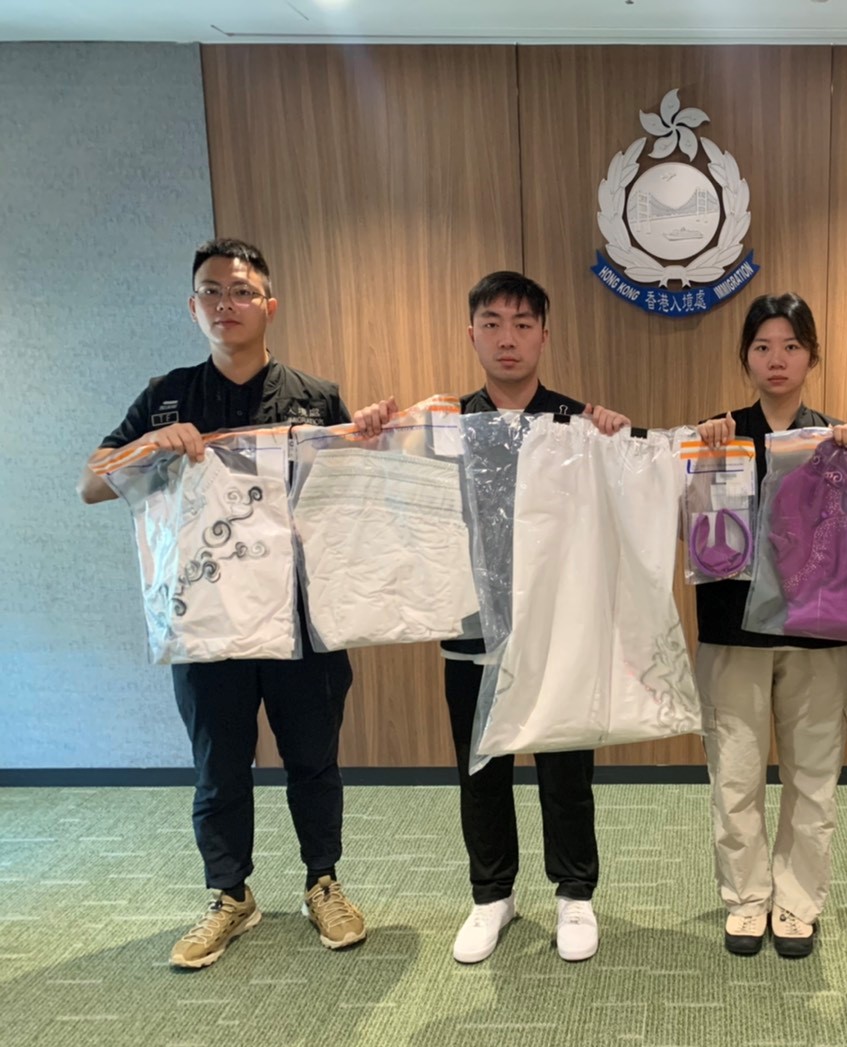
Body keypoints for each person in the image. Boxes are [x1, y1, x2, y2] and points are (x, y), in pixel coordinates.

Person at [79, 238, 393, 969]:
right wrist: (150, 447)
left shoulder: (314, 395)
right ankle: (230, 895)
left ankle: (323, 882)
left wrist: (371, 438)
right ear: (193, 307)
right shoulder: (166, 396)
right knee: (219, 765)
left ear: (269, 306)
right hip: (207, 619)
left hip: (302, 619)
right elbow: (91, 483)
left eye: (242, 291)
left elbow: (354, 490)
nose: (227, 303)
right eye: (212, 291)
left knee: (312, 759)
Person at [442, 271, 630, 965]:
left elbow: (626, 500)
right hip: (471, 626)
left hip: (558, 628)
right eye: (492, 323)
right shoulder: (445, 426)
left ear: (545, 336)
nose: (508, 338)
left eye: (523, 324)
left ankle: (575, 892)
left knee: (565, 766)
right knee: (481, 767)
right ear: (472, 334)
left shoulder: (578, 424)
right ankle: (492, 894)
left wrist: (619, 441)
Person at [694, 292, 847, 959]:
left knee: (812, 777)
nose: (777, 359)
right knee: (735, 775)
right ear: (745, 357)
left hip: (817, 630)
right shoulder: (718, 438)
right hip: (732, 629)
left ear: (811, 357)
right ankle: (746, 898)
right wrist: (698, 455)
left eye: (791, 346)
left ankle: (796, 902)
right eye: (763, 346)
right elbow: (692, 533)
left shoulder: (839, 438)